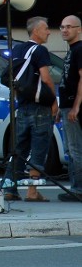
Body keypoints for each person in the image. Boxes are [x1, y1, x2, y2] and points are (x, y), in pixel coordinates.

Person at [3, 16, 57, 202]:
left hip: (23, 107)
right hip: (40, 108)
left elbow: (13, 79)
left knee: (18, 149)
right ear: (36, 31)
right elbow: (46, 77)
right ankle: (32, 192)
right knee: (39, 149)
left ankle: (10, 189)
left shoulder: (17, 49)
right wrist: (53, 102)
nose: (49, 31)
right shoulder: (40, 50)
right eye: (46, 28)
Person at [57, 15, 82, 202]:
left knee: (75, 149)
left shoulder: (79, 50)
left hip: (74, 108)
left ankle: (78, 189)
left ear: (79, 29)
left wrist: (75, 106)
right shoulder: (72, 50)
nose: (65, 30)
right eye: (62, 27)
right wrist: (61, 106)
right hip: (67, 106)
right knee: (72, 148)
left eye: (69, 27)